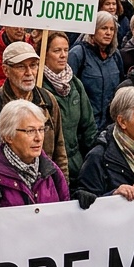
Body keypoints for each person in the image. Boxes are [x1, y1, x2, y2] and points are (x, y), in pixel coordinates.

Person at [0, 41, 69, 175]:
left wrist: (62, 184)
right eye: (21, 67)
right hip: (3, 184)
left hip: (44, 183)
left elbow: (60, 151)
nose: (29, 72)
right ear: (6, 70)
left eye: (33, 65)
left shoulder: (48, 100)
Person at [0, 99, 73, 209]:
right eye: (30, 131)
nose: (39, 138)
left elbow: (65, 214)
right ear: (8, 136)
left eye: (41, 129)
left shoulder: (52, 171)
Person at [41, 31, 97, 182]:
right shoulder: (38, 87)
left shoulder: (75, 84)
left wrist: (91, 160)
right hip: (47, 167)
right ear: (44, 54)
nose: (63, 55)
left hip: (75, 164)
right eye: (57, 50)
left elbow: (88, 125)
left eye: (66, 50)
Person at [68, 12, 123, 125]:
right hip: (85, 124)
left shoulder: (115, 55)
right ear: (92, 30)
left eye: (112, 29)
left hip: (109, 124)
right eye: (104, 28)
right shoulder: (78, 53)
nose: (108, 33)